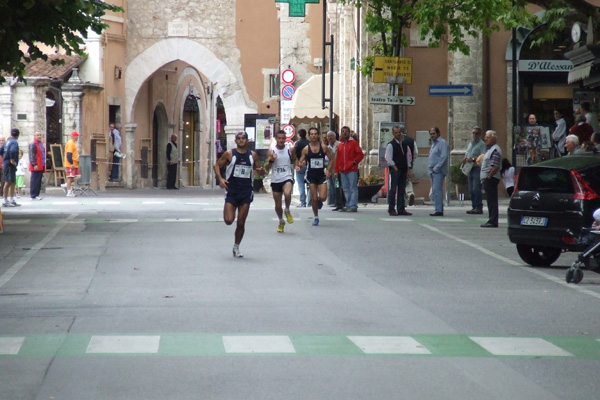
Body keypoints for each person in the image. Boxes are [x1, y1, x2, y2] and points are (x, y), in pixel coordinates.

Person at [213, 131, 265, 258]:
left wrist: (262, 170)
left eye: (243, 138)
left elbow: (260, 171)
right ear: (236, 141)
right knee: (229, 220)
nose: (241, 140)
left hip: (246, 191)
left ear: (247, 141)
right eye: (239, 138)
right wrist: (220, 179)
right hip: (232, 190)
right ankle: (228, 211)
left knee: (241, 222)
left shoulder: (253, 155)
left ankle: (236, 246)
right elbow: (216, 165)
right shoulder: (230, 154)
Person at [297, 127, 334, 226]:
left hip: (321, 174)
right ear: (309, 136)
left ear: (318, 135)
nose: (313, 135)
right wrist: (301, 164)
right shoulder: (306, 149)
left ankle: (319, 202)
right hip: (311, 175)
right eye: (312, 134)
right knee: (313, 198)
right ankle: (316, 217)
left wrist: (328, 170)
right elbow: (301, 162)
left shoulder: (324, 147)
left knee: (323, 197)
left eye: (315, 134)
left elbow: (331, 159)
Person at [265, 130, 296, 233]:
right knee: (278, 205)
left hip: (287, 176)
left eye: (283, 138)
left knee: (287, 193)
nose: (281, 140)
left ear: (285, 139)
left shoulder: (290, 149)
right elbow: (266, 167)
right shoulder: (271, 151)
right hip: (276, 179)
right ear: (276, 139)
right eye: (279, 138)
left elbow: (296, 160)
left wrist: (299, 166)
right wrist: (272, 160)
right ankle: (281, 221)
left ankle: (287, 209)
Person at [334, 126, 364, 213]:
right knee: (345, 188)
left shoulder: (354, 143)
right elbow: (338, 159)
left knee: (352, 188)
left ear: (349, 132)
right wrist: (336, 170)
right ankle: (347, 205)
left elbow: (360, 155)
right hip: (342, 170)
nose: (344, 133)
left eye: (346, 131)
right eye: (343, 131)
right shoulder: (340, 145)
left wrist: (354, 162)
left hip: (352, 170)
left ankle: (353, 205)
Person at [384, 125, 412, 216]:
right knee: (393, 190)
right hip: (396, 170)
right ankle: (391, 208)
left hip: (403, 170)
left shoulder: (404, 145)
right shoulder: (390, 145)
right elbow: (388, 158)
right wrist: (395, 168)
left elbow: (407, 158)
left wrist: (407, 169)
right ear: (393, 133)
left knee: (401, 190)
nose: (398, 134)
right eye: (396, 132)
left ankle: (401, 208)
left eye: (399, 132)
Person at [480, 130, 502, 228]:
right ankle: (491, 219)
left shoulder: (495, 150)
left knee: (492, 200)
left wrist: (489, 176)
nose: (485, 139)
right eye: (485, 137)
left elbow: (495, 166)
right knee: (490, 200)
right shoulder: (490, 149)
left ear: (493, 139)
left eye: (488, 137)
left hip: (491, 179)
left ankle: (493, 220)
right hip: (489, 178)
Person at [462, 126, 486, 214]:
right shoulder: (470, 144)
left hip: (476, 167)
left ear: (479, 134)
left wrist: (472, 159)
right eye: (473, 133)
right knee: (471, 189)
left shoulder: (482, 144)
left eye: (476, 133)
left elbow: (483, 156)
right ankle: (474, 206)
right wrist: (465, 159)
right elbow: (467, 153)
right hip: (469, 168)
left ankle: (479, 207)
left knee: (476, 188)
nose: (474, 135)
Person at [428, 127, 448, 216]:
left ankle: (439, 210)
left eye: (433, 133)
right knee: (435, 191)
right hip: (433, 170)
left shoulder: (442, 143)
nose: (432, 135)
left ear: (438, 133)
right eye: (431, 134)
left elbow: (444, 157)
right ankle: (437, 208)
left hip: (438, 170)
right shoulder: (434, 143)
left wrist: (436, 168)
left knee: (437, 190)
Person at [3, 128, 21, 207]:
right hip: (10, 164)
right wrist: (12, 160)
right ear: (17, 135)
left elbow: (1, 150)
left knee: (13, 181)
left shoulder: (7, 141)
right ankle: (5, 200)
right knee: (8, 181)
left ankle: (11, 199)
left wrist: (4, 158)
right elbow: (13, 151)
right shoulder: (14, 142)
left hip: (6, 163)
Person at [294, 128, 309, 207]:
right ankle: (310, 202)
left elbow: (294, 155)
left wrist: (297, 164)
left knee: (301, 184)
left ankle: (303, 202)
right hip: (308, 164)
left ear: (299, 135)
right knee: (310, 184)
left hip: (299, 164)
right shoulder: (309, 143)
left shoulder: (297, 143)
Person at [28, 131, 45, 200]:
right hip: (36, 165)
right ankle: (33, 194)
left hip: (41, 164)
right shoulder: (33, 144)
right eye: (38, 135)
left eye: (40, 135)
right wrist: (34, 164)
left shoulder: (41, 143)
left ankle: (37, 194)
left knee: (38, 180)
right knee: (34, 180)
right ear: (35, 136)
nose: (39, 136)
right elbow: (32, 155)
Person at [325, 131, 339, 207]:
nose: (330, 137)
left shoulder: (339, 145)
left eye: (331, 136)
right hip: (331, 169)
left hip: (338, 169)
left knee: (337, 185)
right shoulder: (327, 148)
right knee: (332, 186)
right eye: (328, 136)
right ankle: (334, 201)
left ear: (335, 137)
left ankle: (338, 201)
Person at [403, 131, 417, 207]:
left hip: (399, 166)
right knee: (408, 180)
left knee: (401, 183)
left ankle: (404, 201)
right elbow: (415, 152)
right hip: (409, 164)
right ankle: (410, 193)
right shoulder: (411, 140)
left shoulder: (397, 140)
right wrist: (412, 161)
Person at [64, 131, 80, 197]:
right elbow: (69, 154)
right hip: (71, 164)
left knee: (78, 176)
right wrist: (71, 163)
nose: (77, 137)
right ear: (74, 136)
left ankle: (66, 185)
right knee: (70, 177)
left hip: (75, 163)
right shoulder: (70, 143)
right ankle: (69, 191)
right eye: (77, 136)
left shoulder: (73, 143)